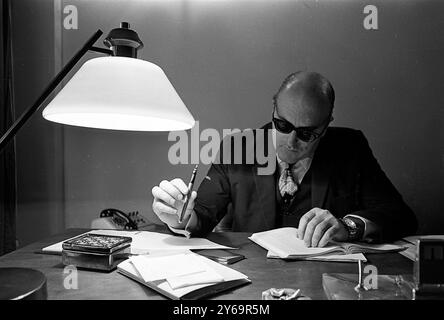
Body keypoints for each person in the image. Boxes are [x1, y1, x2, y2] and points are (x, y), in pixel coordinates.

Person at [151, 71, 417, 247]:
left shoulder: (350, 148)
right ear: (273, 109)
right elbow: (201, 215)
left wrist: (348, 226)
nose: (291, 142)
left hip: (323, 282)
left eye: (306, 133)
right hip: (254, 281)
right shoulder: (238, 147)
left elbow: (400, 216)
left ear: (326, 126)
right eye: (283, 125)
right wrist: (179, 216)